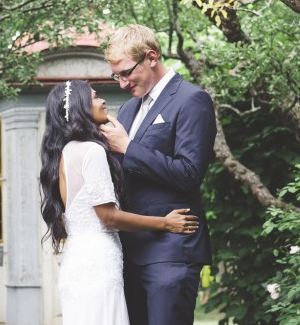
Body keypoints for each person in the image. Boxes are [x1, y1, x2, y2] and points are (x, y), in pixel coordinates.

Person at [39, 80, 199, 325]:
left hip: (78, 261)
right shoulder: (92, 151)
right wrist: (165, 223)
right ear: (81, 107)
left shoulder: (67, 150)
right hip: (99, 262)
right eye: (95, 97)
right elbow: (108, 217)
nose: (102, 101)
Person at [100, 24, 216, 325]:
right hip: (128, 251)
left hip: (172, 250)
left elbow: (189, 173)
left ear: (151, 56)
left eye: (126, 73)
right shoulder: (127, 110)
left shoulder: (192, 99)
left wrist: (129, 147)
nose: (123, 83)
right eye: (117, 76)